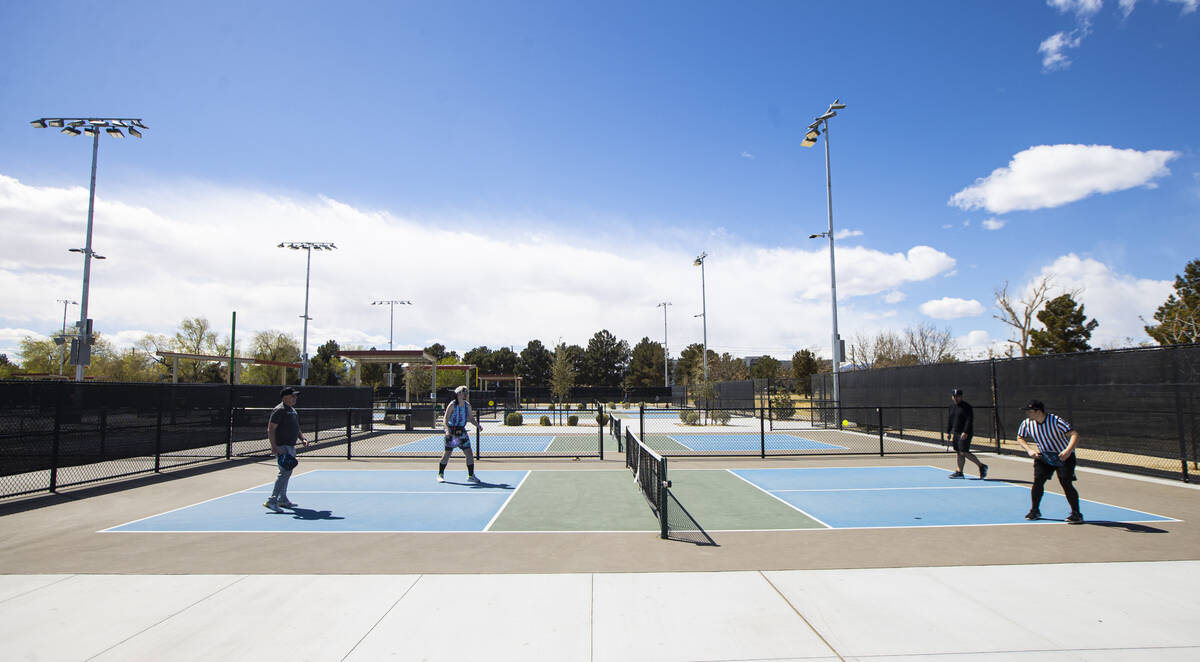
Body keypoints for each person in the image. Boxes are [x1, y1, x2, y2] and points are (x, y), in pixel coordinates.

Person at [1016, 399, 1083, 524]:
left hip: (1063, 457)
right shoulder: (1027, 423)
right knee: (1038, 482)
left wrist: (1068, 451)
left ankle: (1076, 513)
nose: (1027, 414)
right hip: (1044, 457)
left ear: (1038, 411)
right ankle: (1035, 510)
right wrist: (1029, 450)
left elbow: (1074, 435)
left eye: (1029, 411)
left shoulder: (1055, 421)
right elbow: (1020, 437)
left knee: (1066, 483)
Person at [264, 386, 309, 513]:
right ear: (285, 397)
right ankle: (272, 501)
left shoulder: (292, 410)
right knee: (284, 473)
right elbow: (271, 428)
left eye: (295, 396)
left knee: (287, 473)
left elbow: (296, 427)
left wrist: (302, 438)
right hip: (282, 446)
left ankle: (282, 499)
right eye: (292, 396)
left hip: (290, 446)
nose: (295, 398)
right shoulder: (279, 410)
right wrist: (273, 446)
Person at [439, 385, 482, 483]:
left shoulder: (467, 405)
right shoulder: (452, 404)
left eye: (466, 393)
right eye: (463, 392)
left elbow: (471, 418)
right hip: (452, 432)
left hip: (462, 432)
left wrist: (477, 425)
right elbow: (445, 418)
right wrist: (447, 430)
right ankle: (440, 474)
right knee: (447, 454)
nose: (465, 395)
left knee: (469, 454)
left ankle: (471, 475)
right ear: (458, 394)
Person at [946, 388, 987, 479]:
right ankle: (959, 472)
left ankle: (981, 466)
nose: (956, 398)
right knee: (959, 452)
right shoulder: (951, 407)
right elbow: (950, 420)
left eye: (958, 396)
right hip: (956, 433)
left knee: (963, 451)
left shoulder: (967, 407)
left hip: (965, 433)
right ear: (952, 397)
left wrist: (965, 431)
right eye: (955, 396)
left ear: (961, 397)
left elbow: (969, 420)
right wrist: (948, 431)